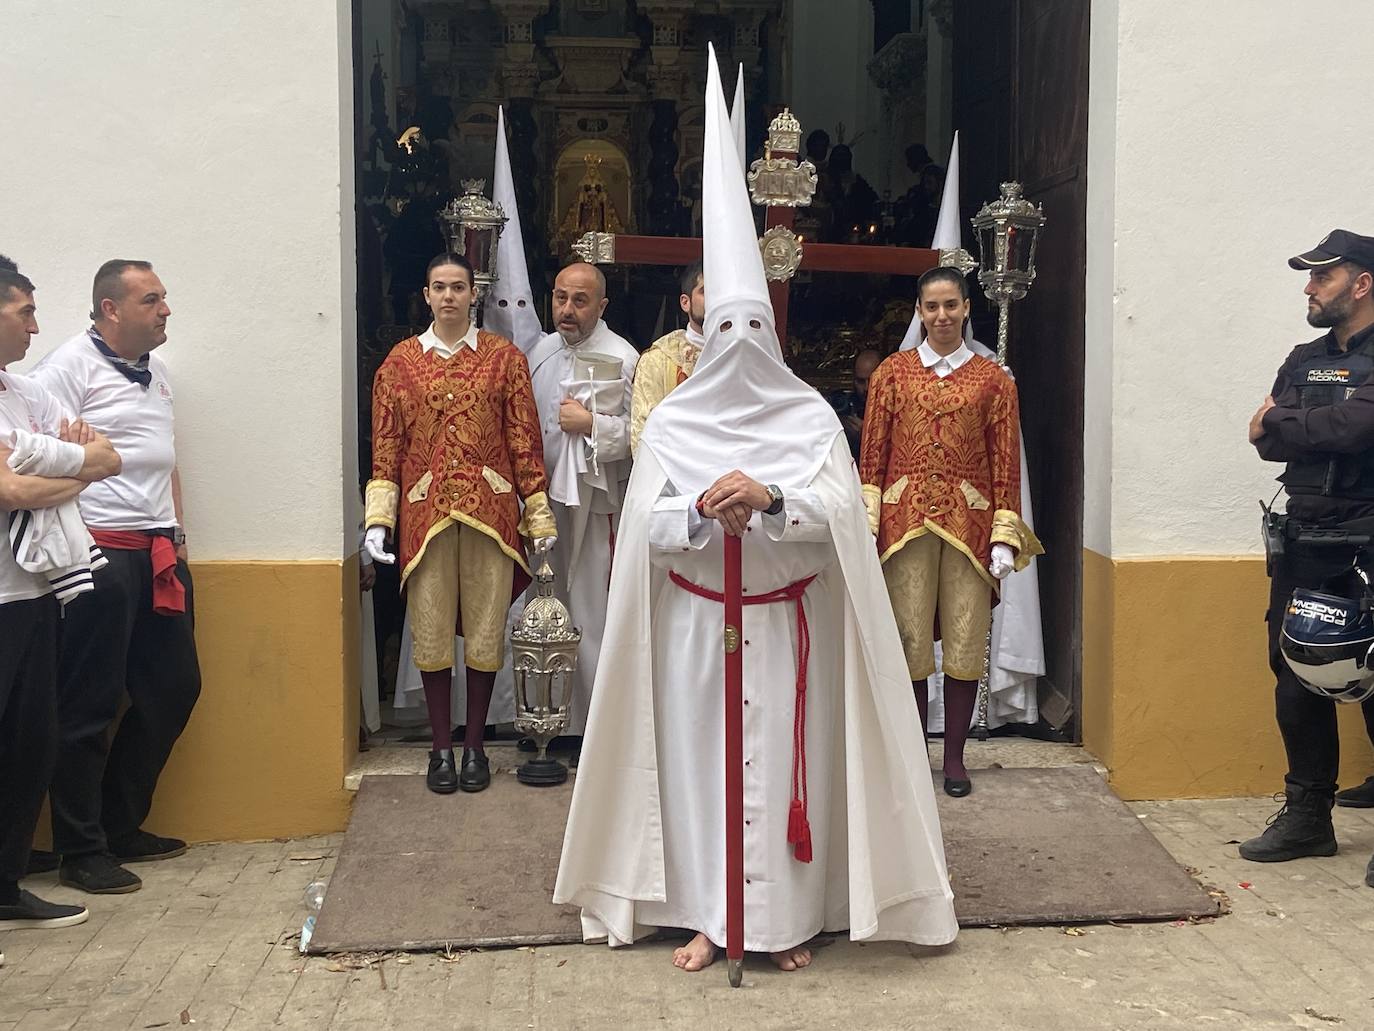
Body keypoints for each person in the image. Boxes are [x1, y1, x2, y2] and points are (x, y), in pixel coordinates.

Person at [555, 48, 958, 973]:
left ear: (770, 334)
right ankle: (707, 912)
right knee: (699, 773)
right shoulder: (676, 421)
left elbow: (842, 514)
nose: (737, 344)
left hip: (786, 626)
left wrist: (771, 497)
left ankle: (784, 920)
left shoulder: (808, 412)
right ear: (704, 327)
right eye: (721, 327)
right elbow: (646, 533)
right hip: (699, 623)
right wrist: (699, 510)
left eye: (753, 328)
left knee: (786, 770)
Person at [27, 260, 198, 895]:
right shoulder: (65, 368)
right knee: (90, 703)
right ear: (110, 309)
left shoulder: (157, 376)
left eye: (164, 298)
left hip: (158, 554)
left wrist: (179, 536)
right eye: (152, 300)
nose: (165, 310)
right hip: (97, 552)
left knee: (174, 688)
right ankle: (80, 848)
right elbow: (34, 455)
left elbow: (166, 460)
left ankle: (118, 824)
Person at [365, 252, 556, 794]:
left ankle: (474, 745)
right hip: (424, 511)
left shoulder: (505, 359)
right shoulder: (399, 363)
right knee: (428, 631)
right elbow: (387, 446)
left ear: (474, 294)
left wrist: (535, 508)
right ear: (425, 295)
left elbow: (523, 438)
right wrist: (378, 518)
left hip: (490, 511)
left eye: (458, 287)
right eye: (438, 287)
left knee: (485, 631)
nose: (449, 296)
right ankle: (440, 748)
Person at [860, 266, 1040, 798]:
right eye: (931, 307)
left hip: (970, 522)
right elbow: (872, 456)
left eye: (950, 306)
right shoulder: (891, 374)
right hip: (903, 522)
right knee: (909, 641)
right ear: (919, 311)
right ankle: (915, 753)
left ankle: (955, 758)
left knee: (965, 642)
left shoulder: (994, 380)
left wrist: (1005, 532)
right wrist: (867, 524)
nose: (941, 316)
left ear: (966, 309)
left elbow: (1005, 462)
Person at [1242, 229, 1374, 887]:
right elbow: (1263, 441)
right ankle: (1307, 818)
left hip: (1369, 537)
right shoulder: (1303, 357)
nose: (1309, 287)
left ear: (1362, 282)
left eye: (1322, 276)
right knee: (1295, 672)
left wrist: (1285, 423)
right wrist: (1295, 426)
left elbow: (1356, 428)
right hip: (1306, 539)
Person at [0, 256, 121, 943]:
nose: (36, 326)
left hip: (34, 593)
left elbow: (108, 455)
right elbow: (10, 492)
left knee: (31, 743)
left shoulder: (23, 393)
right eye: (24, 313)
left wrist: (40, 459)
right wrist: (67, 468)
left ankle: (5, 884)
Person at [525, 262, 639, 746]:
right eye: (560, 298)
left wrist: (593, 425)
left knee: (592, 610)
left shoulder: (624, 357)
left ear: (602, 305)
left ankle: (591, 730)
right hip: (543, 506)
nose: (566, 310)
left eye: (580, 300)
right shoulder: (540, 352)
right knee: (541, 606)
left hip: (597, 507)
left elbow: (643, 434)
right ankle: (539, 720)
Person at [630, 261, 705, 456]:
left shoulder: (748, 359)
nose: (716, 299)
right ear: (685, 302)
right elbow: (644, 440)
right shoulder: (657, 361)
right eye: (706, 291)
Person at [829, 349, 881, 460]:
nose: (867, 388)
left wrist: (868, 435)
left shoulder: (894, 409)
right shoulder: (846, 405)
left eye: (872, 381)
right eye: (861, 381)